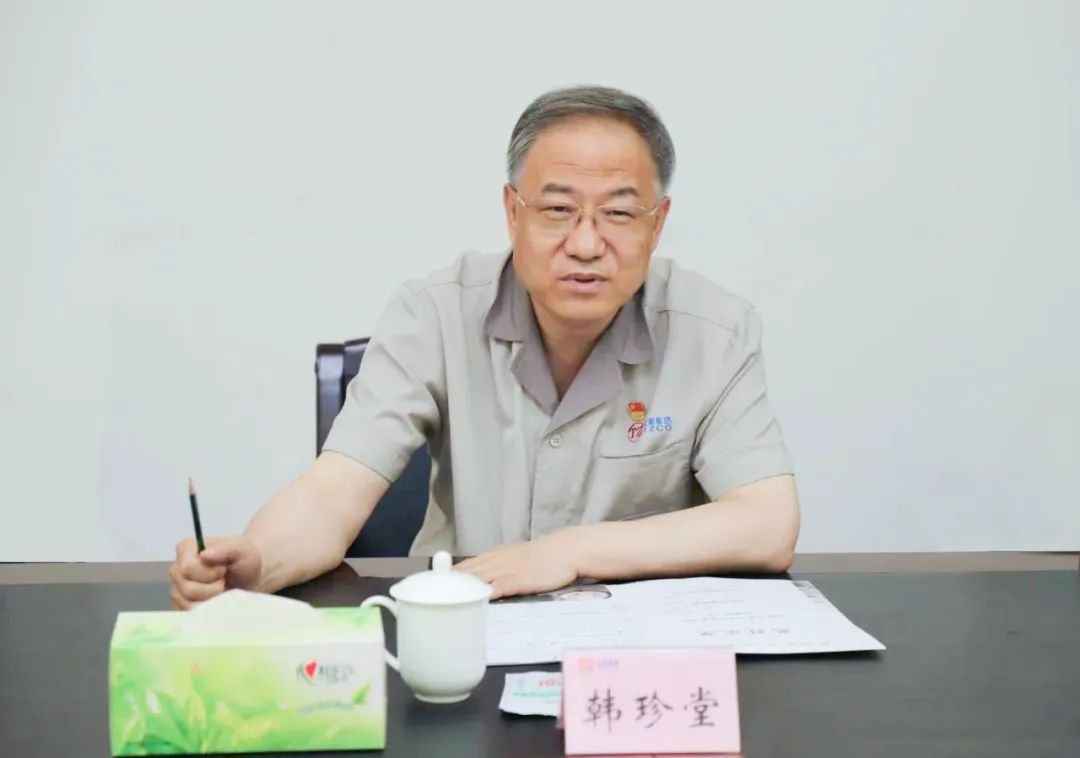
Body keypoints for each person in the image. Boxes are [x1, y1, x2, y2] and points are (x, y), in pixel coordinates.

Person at [169, 85, 800, 608]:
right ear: (512, 212)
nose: (586, 245)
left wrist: (569, 552)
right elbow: (332, 494)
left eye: (617, 213)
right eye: (558, 210)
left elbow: (768, 523)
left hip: (638, 650)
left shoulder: (715, 331)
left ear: (656, 224)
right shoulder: (435, 314)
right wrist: (256, 563)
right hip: (464, 632)